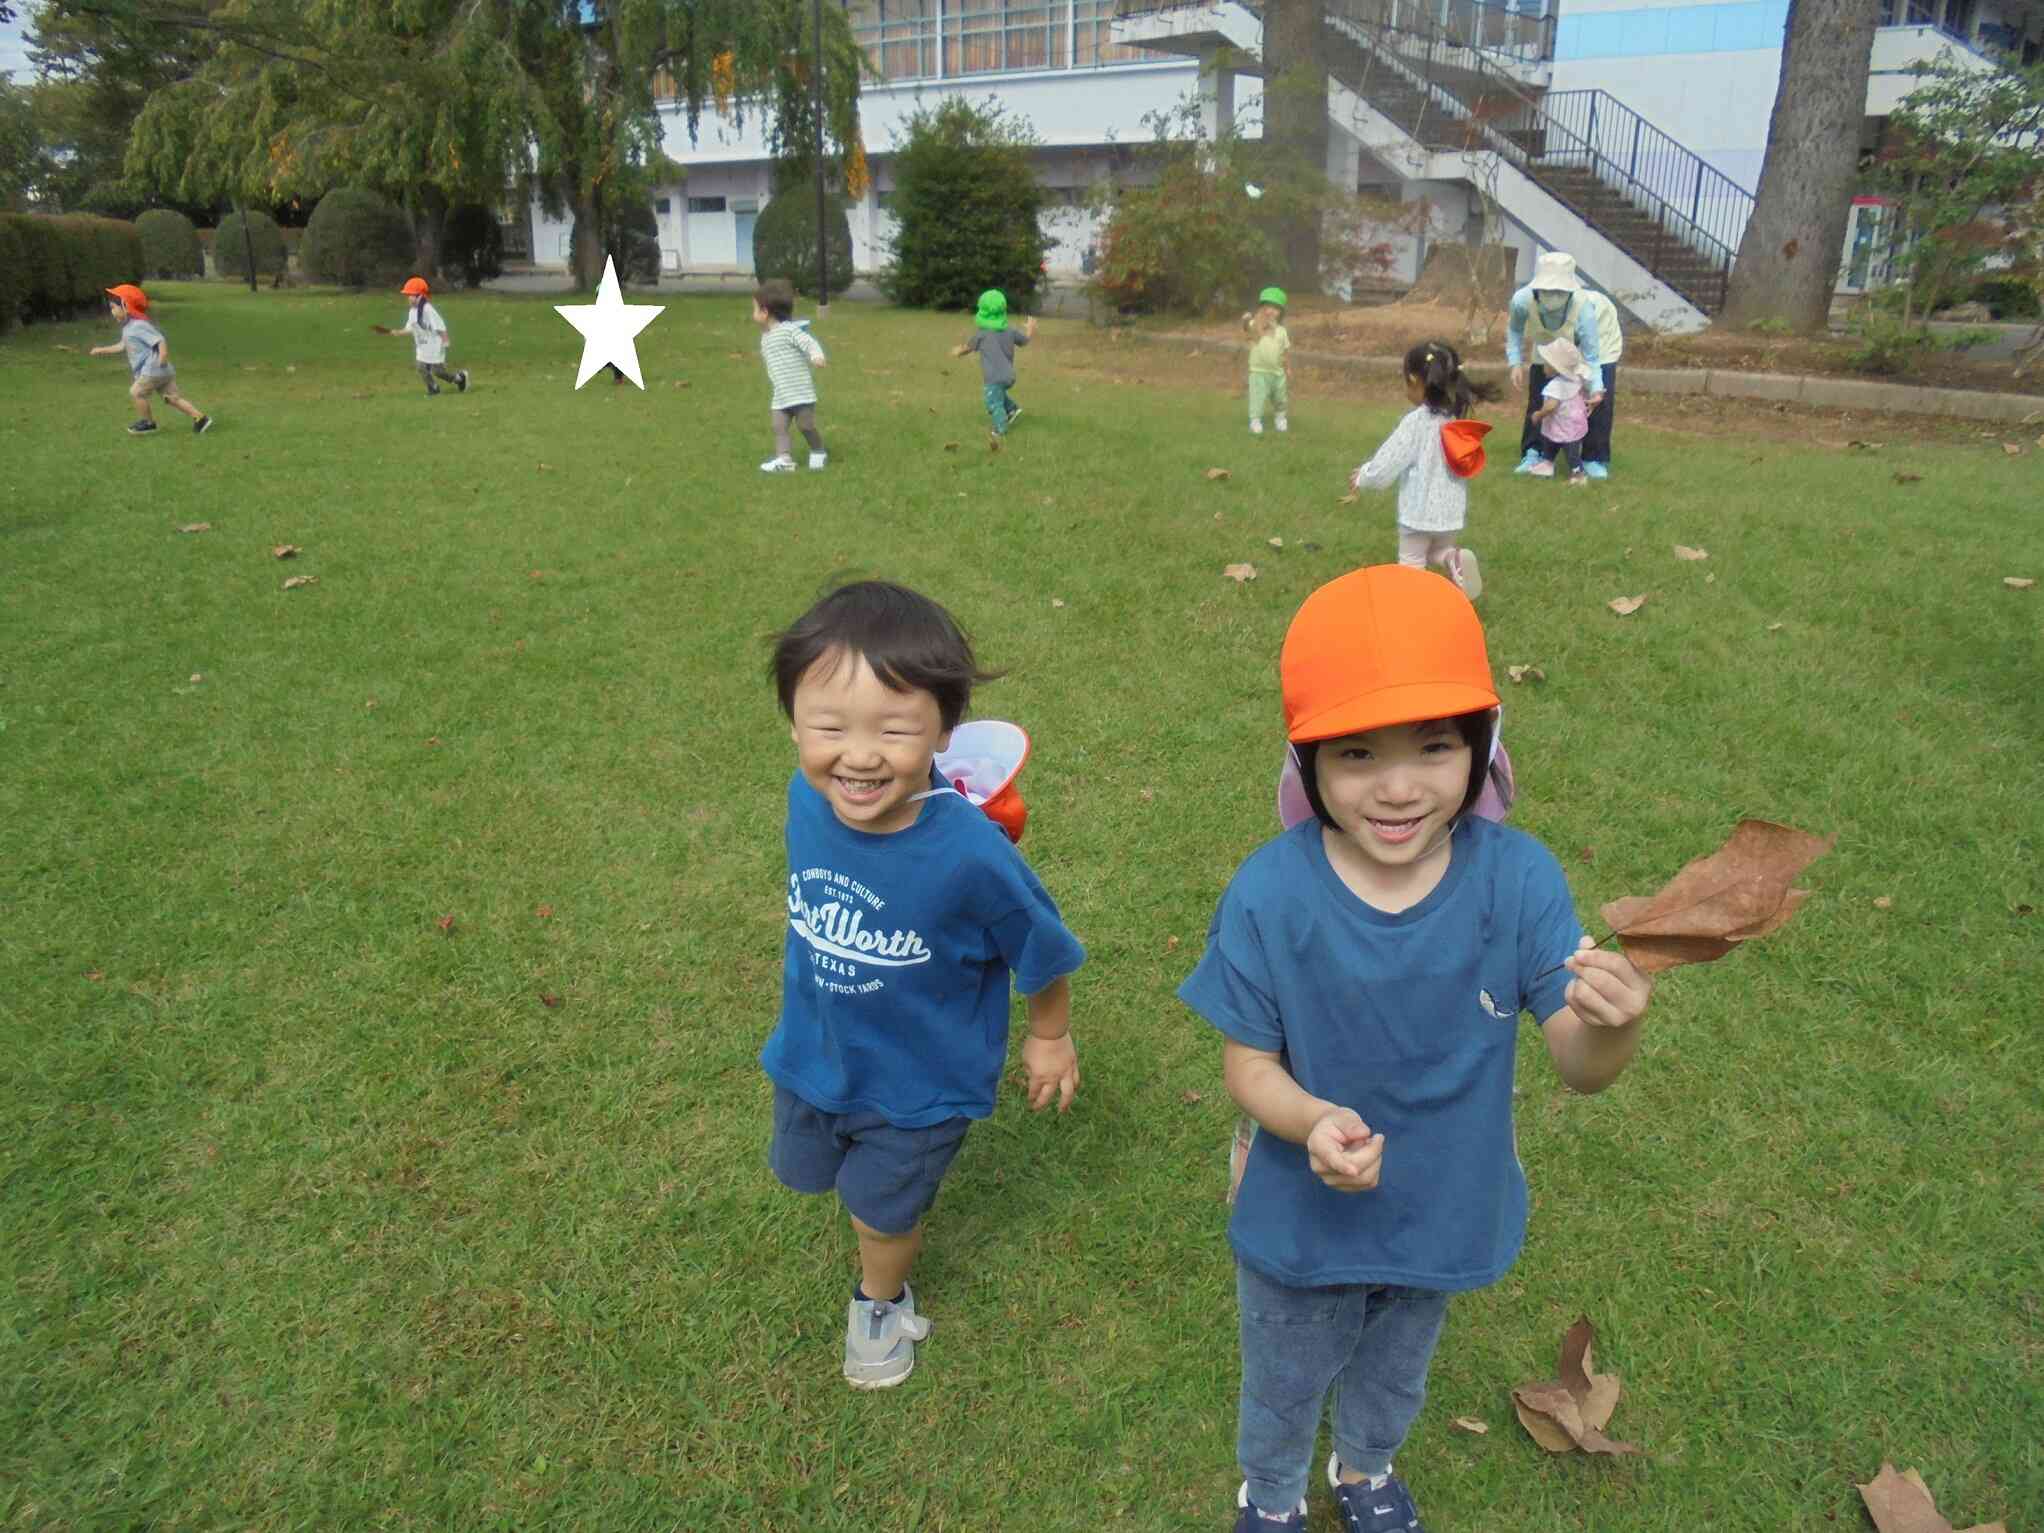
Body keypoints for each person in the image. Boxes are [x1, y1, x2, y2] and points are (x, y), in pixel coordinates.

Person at [1179, 564, 1654, 1533]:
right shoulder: (1270, 894)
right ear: (1306, 762)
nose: (1397, 787)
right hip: (1298, 1220)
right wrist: (1308, 1121)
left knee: (1396, 1368)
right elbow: (1246, 1066)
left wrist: (1612, 1027)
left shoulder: (1516, 883)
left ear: (1481, 748)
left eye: (1435, 746)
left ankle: (1365, 1469)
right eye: (1355, 754)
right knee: (1282, 1379)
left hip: (1442, 1205)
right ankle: (1268, 1497)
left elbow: (1578, 1063)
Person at [764, 580, 1085, 1389]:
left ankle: (880, 1297)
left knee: (881, 1210)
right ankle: (870, 1214)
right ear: (793, 722)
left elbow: (1041, 947)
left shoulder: (972, 853)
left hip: (919, 1078)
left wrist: (1050, 1034)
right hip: (816, 1048)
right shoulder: (807, 798)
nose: (859, 754)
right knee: (809, 1171)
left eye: (895, 729)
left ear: (943, 727)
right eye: (829, 726)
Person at [1348, 340, 1497, 601]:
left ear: (1415, 381)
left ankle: (1413, 612)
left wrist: (1363, 475)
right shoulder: (1455, 422)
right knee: (1438, 550)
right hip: (1450, 513)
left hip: (1418, 513)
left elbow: (1387, 463)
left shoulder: (1415, 423)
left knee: (1412, 563)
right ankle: (1454, 558)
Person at [1503, 251, 1622, 479]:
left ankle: (1593, 457)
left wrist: (1596, 388)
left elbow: (1592, 357)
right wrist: (1515, 362)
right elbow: (1515, 330)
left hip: (1599, 337)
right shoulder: (1521, 301)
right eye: (1547, 291)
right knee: (1541, 395)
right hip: (1549, 343)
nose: (1552, 296)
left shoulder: (1585, 309)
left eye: (1559, 292)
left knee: (1594, 400)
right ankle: (1534, 452)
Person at [89, 284, 213, 436]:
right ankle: (200, 418)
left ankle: (148, 423)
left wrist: (162, 356)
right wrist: (102, 350)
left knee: (136, 393)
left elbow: (159, 339)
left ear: (126, 306)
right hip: (162, 371)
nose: (112, 311)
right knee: (172, 399)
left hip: (153, 368)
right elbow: (122, 345)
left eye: (114, 307)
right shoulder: (128, 328)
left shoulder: (139, 325)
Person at [755, 278, 828, 473]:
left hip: (800, 392)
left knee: (806, 426)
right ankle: (784, 459)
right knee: (778, 427)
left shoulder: (789, 331)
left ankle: (818, 451)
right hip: (781, 394)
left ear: (764, 312)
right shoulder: (766, 336)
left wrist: (817, 356)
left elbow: (809, 343)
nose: (753, 314)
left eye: (755, 309)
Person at [951, 289, 1035, 444]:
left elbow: (968, 348)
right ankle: (1012, 409)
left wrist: (958, 352)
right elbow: (1025, 341)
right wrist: (1030, 328)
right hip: (1009, 375)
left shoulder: (982, 334)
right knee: (998, 393)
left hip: (994, 377)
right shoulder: (1010, 330)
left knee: (992, 401)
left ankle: (1000, 428)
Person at [381, 276, 468, 397]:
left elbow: (440, 325)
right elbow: (410, 328)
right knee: (421, 367)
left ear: (420, 296)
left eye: (411, 295)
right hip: (422, 346)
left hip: (435, 345)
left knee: (438, 372)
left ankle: (459, 378)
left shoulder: (428, 310)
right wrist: (397, 332)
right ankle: (433, 389)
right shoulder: (412, 311)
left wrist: (446, 340)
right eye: (408, 295)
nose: (408, 298)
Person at [1527, 336, 1596, 486]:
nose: (1543, 366)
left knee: (1570, 452)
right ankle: (1547, 463)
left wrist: (1539, 415)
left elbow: (1551, 406)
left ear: (1554, 367)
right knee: (1552, 442)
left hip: (1564, 426)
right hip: (1574, 423)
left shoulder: (1556, 386)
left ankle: (1578, 474)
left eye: (1546, 363)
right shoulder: (1575, 379)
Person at [1240, 286, 1292, 435]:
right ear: (1261, 308)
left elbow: (1285, 351)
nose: (1270, 311)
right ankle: (1255, 421)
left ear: (1281, 312)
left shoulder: (1282, 331)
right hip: (1258, 371)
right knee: (1257, 398)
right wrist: (1245, 320)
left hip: (1277, 372)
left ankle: (1280, 418)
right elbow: (1245, 328)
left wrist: (1287, 368)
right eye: (1267, 307)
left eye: (1275, 308)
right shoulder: (1255, 326)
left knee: (1280, 398)